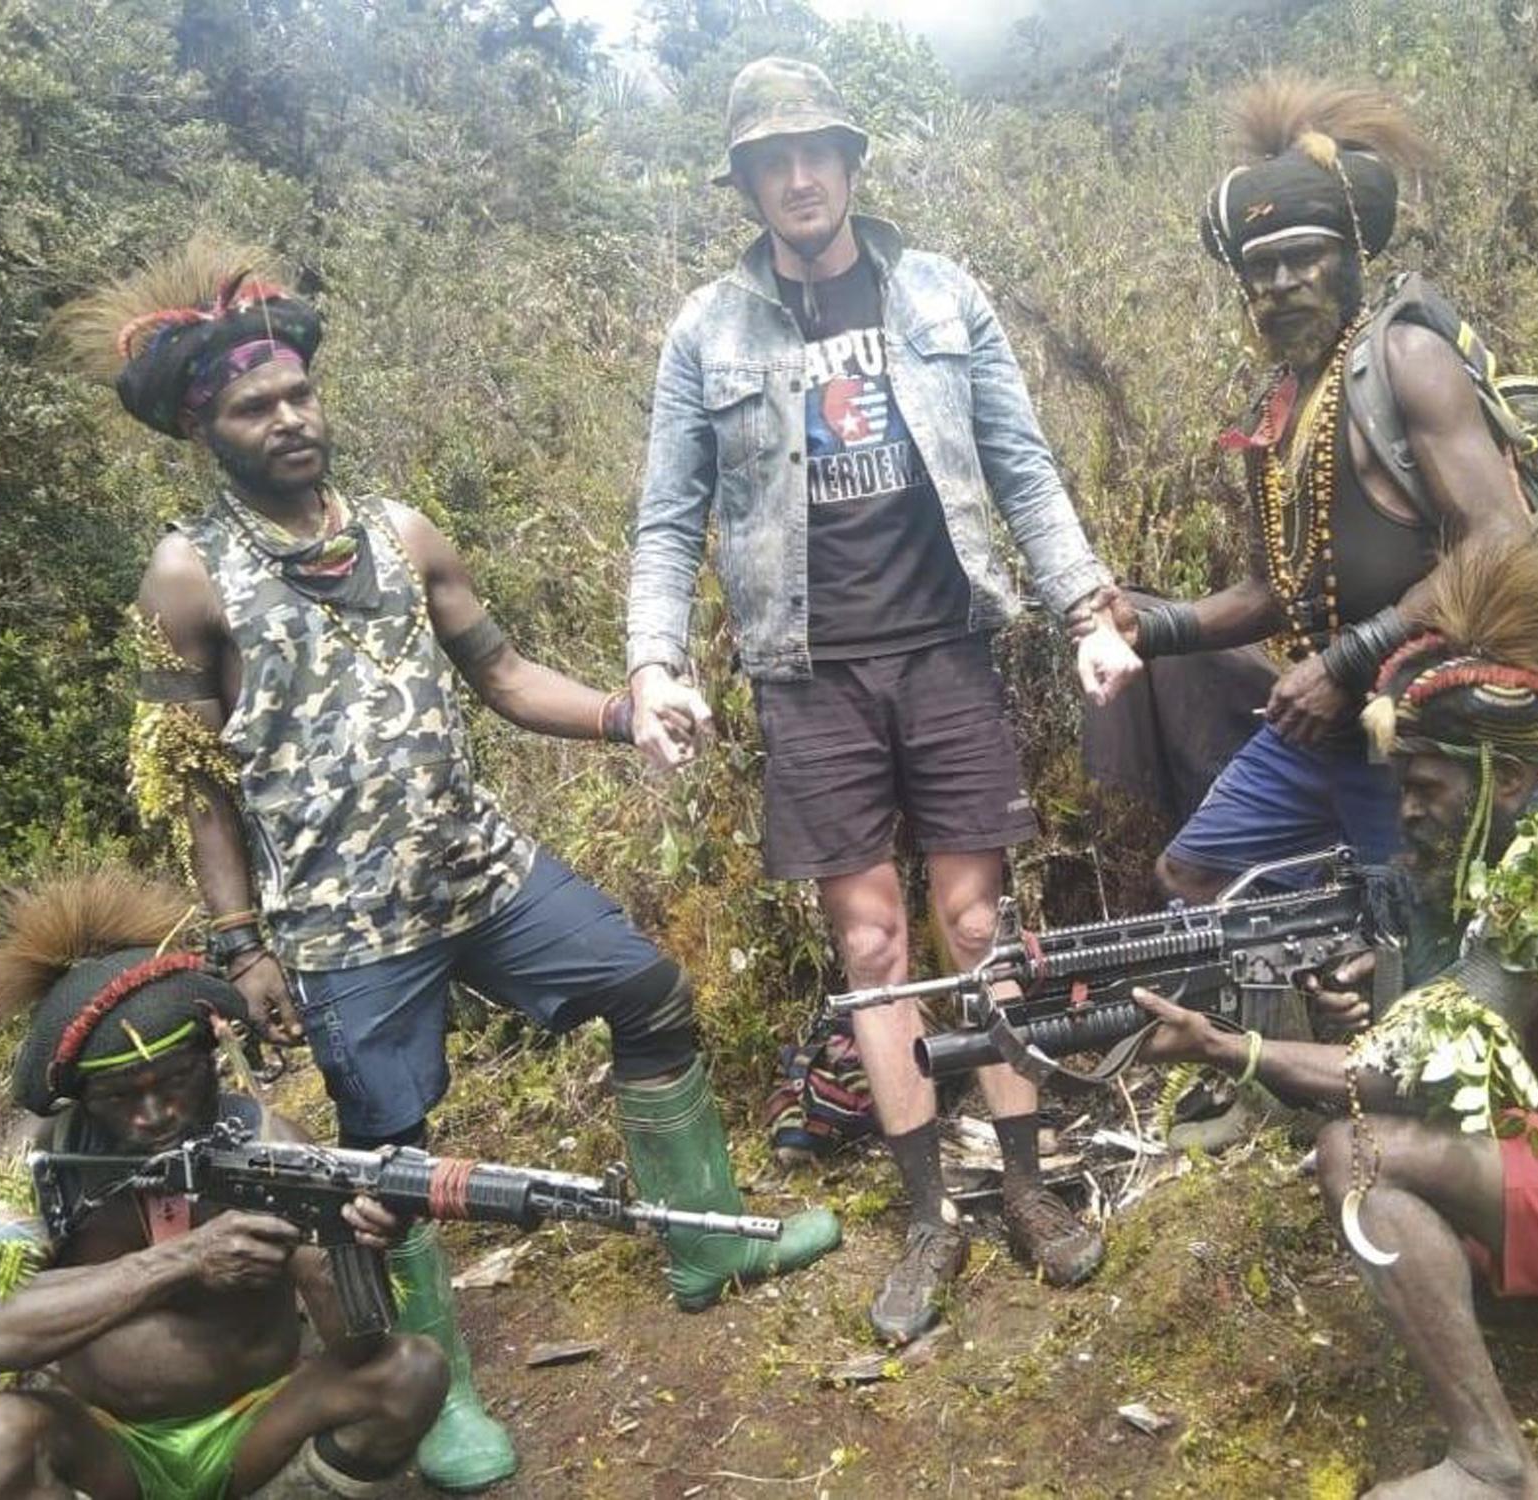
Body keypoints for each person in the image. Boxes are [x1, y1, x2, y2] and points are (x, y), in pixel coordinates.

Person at [49, 236, 840, 1489]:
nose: (291, 418)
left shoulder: (403, 531)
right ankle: (438, 1393)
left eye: (300, 393)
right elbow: (194, 787)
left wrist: (627, 713)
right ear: (210, 428)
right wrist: (240, 945)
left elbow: (505, 675)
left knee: (646, 991)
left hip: (477, 869)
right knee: (390, 1158)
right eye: (257, 407)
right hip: (343, 922)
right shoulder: (186, 578)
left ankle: (709, 1248)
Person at [624, 57, 1144, 1345]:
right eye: (770, 161)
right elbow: (664, 520)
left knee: (980, 924)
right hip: (807, 675)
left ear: (851, 165)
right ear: (744, 183)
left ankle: (1021, 1180)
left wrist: (1085, 608)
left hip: (944, 651)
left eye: (817, 153)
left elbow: (1021, 466)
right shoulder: (707, 332)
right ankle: (929, 1216)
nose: (797, 178)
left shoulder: (937, 292)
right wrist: (651, 663)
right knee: (870, 950)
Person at [1135, 539, 1538, 1498]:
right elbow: (1473, 1034)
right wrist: (1378, 999)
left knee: (1361, 1155)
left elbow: (1407, 1082)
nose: (1405, 813)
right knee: (1411, 1142)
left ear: (1508, 780)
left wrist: (1227, 1049)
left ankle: (1495, 1464)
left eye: (1426, 788)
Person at [1111, 75, 1527, 902]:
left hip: (1421, 719)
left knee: (1418, 922)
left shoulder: (1404, 360)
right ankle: (1322, 971)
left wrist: (1346, 664)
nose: (1282, 283)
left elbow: (1501, 536)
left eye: (1305, 256)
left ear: (1349, 257)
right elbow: (1276, 592)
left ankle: (1369, 970)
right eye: (1261, 267)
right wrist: (1146, 633)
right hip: (1321, 719)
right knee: (1194, 876)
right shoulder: (1276, 410)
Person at [0, 869, 448, 1500]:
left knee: (411, 1371)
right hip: (107, 1444)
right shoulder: (39, 1159)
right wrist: (183, 1259)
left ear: (210, 1058)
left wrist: (353, 1249)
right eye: (120, 1097)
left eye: (174, 1083)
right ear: (81, 1098)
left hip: (258, 1426)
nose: (154, 1114)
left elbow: (362, 1351)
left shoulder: (272, 1144)